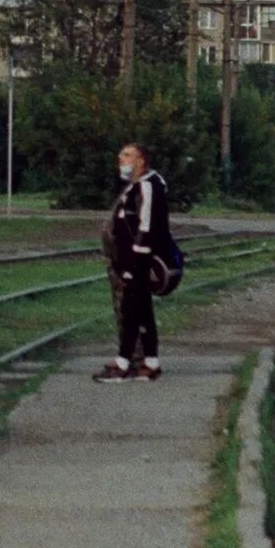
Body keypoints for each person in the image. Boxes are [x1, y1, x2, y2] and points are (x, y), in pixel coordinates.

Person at [96, 141, 180, 383]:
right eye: (121, 154)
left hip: (140, 261)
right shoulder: (134, 186)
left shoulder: (148, 186)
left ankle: (123, 363)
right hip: (131, 261)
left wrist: (133, 265)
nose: (120, 158)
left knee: (131, 310)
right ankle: (150, 362)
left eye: (127, 155)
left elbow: (146, 227)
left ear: (141, 160)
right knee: (142, 310)